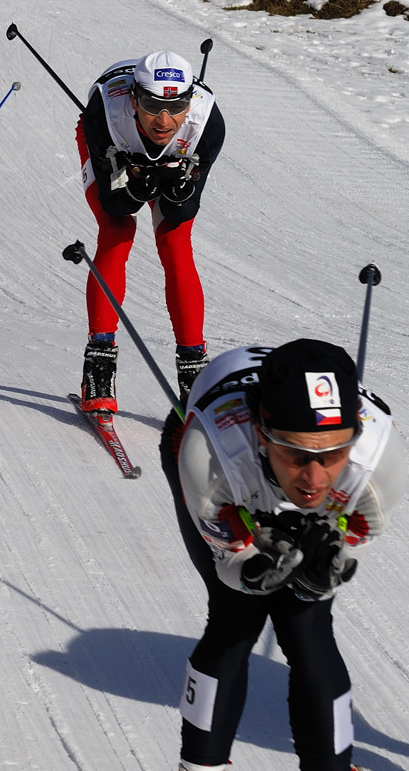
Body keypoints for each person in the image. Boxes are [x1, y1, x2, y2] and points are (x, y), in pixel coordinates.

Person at [160, 339, 406, 771]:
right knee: (236, 615)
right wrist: (250, 569)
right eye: (297, 454)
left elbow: (351, 540)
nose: (314, 476)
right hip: (229, 477)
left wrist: (324, 567)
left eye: (333, 455)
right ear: (261, 433)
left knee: (307, 622)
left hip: (272, 472)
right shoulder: (210, 456)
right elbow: (230, 566)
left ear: (356, 437)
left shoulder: (379, 464)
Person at [76, 50, 225, 414]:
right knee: (117, 231)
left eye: (175, 107)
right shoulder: (105, 112)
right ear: (132, 98)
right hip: (115, 145)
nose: (163, 119)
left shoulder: (209, 123)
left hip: (172, 155)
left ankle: (193, 371)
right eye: (151, 103)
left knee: (175, 241)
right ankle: (99, 362)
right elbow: (116, 206)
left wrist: (175, 186)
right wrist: (134, 188)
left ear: (190, 103)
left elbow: (183, 208)